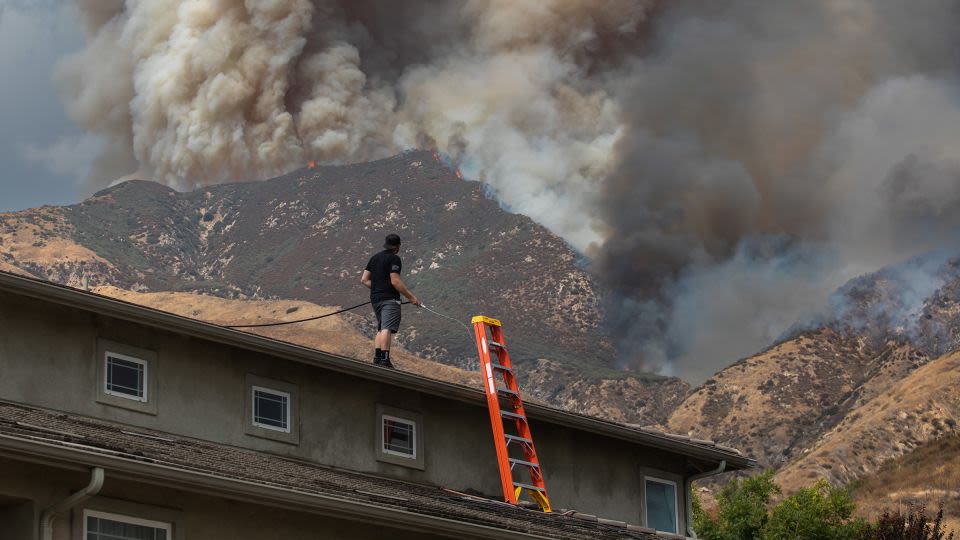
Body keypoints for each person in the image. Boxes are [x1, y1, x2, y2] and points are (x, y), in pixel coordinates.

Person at [361, 234, 420, 368]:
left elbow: (364, 279)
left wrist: (377, 287)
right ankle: (385, 359)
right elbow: (395, 281)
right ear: (398, 246)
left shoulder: (374, 258)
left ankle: (377, 358)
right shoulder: (394, 259)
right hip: (389, 299)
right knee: (386, 328)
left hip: (375, 298)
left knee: (381, 328)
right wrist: (411, 297)